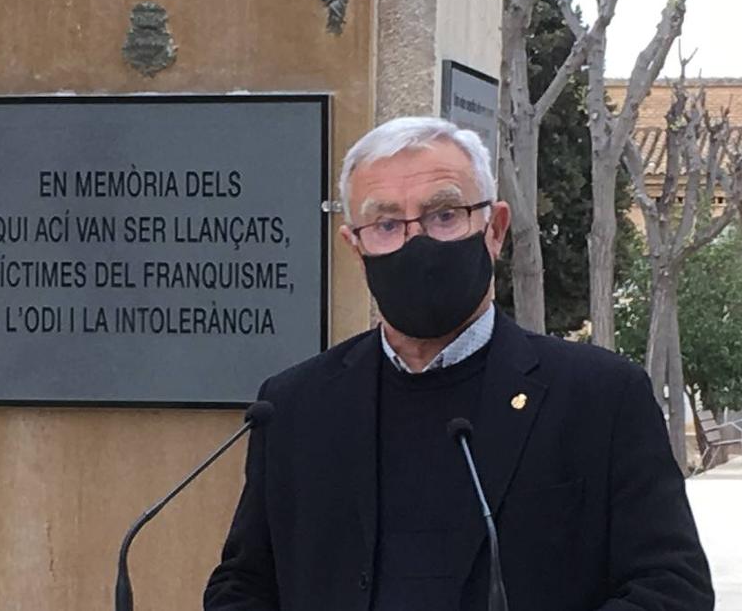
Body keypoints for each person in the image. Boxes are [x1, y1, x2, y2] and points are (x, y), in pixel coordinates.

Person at [204, 117, 713, 611]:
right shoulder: (294, 406)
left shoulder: (601, 397)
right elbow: (243, 584)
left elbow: (672, 587)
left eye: (444, 215)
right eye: (385, 224)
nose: (416, 241)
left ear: (493, 228)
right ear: (355, 248)